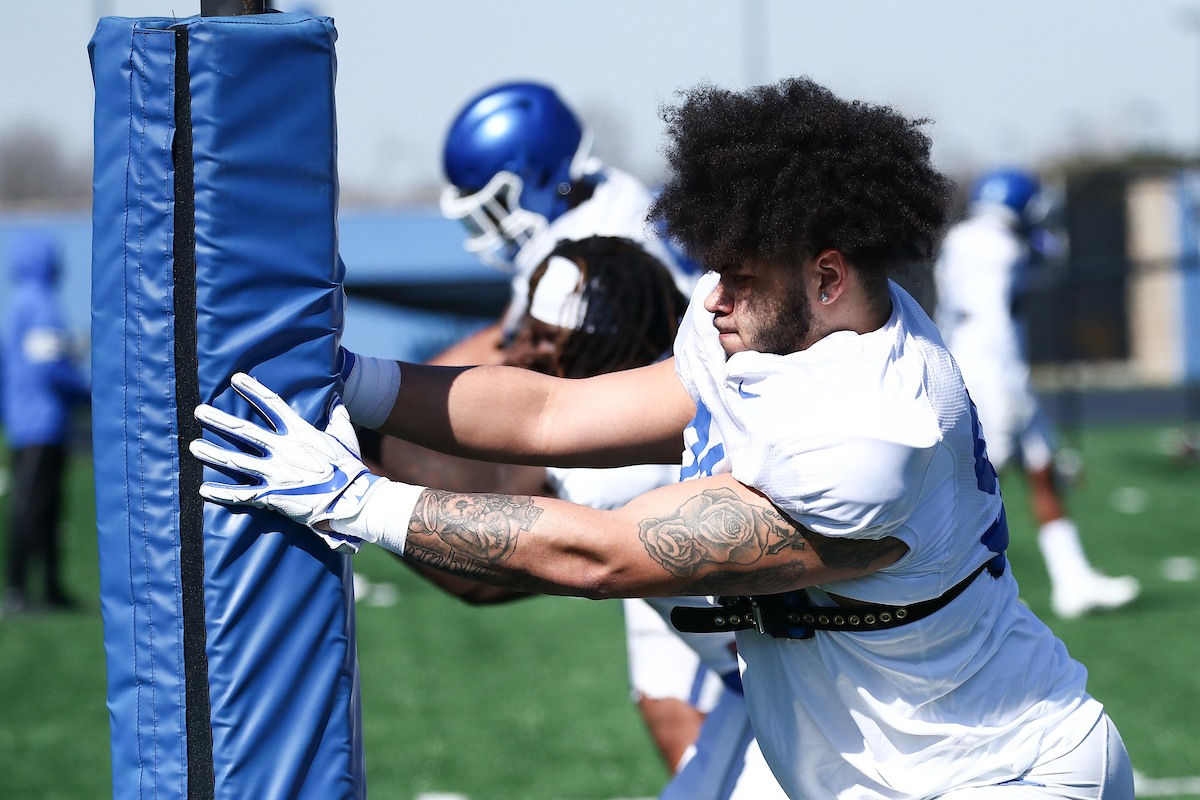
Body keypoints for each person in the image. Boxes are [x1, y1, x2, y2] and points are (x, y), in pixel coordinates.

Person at [191, 78, 1134, 800]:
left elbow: (604, 556)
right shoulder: (757, 324)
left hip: (998, 773)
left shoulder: (874, 435)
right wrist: (358, 383)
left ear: (829, 274)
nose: (711, 299)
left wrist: (355, 502)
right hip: (856, 752)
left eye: (738, 276)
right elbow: (551, 414)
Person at [363, 235, 785, 798]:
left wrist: (358, 491)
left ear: (604, 343)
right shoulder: (664, 379)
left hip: (811, 691)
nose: (522, 351)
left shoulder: (628, 465)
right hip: (756, 681)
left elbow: (483, 573)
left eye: (544, 338)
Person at [934, 170, 1139, 619]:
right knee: (986, 478)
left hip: (984, 355)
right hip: (990, 363)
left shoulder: (968, 237)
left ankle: (1073, 579)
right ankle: (947, 588)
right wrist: (1010, 385)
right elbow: (996, 319)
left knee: (1041, 465)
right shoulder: (997, 246)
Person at [434, 80, 695, 367]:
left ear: (545, 178)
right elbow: (504, 336)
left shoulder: (590, 266)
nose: (494, 226)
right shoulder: (605, 192)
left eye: (498, 205)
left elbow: (516, 363)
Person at [1, 233, 90, 614]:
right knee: (37, 505)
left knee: (42, 505)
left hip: (24, 420)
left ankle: (45, 589)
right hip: (43, 422)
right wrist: (89, 394)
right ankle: (21, 590)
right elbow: (50, 367)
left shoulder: (19, 303)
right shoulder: (41, 304)